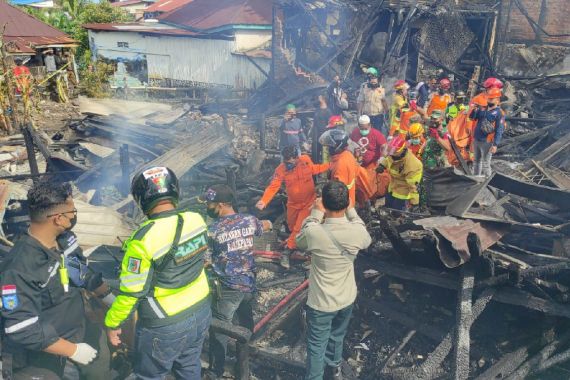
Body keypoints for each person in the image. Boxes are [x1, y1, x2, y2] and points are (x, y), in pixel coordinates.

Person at [105, 166, 211, 379]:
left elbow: (131, 293)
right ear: (174, 190)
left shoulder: (142, 240)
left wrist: (112, 322)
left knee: (149, 375)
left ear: (141, 198)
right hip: (201, 310)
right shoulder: (196, 220)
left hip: (165, 322)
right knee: (190, 365)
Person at [0, 179, 112, 379]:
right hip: (43, 356)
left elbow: (80, 272)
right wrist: (72, 351)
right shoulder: (19, 268)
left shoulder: (64, 241)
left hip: (80, 331)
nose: (74, 217)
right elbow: (21, 328)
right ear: (58, 218)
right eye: (72, 213)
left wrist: (108, 298)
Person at [296, 180, 372, 380]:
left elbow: (299, 240)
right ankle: (335, 370)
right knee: (337, 337)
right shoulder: (357, 231)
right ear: (347, 204)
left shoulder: (314, 232)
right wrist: (352, 211)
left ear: (324, 204)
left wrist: (315, 213)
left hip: (322, 302)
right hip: (346, 298)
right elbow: (365, 236)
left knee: (316, 346)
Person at [204, 185, 272, 377]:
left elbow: (206, 260)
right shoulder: (249, 221)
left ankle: (215, 370)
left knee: (219, 328)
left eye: (210, 203)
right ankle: (246, 358)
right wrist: (270, 224)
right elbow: (264, 225)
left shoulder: (212, 230)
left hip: (227, 288)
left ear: (222, 205)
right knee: (245, 320)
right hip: (249, 283)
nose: (208, 207)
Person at [256, 146, 329, 269]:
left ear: (296, 158)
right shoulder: (280, 170)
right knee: (291, 226)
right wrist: (264, 201)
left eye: (290, 162)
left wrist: (330, 165)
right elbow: (273, 186)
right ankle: (296, 244)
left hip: (308, 203)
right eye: (285, 162)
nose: (287, 165)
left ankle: (287, 252)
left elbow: (314, 169)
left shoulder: (305, 160)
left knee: (298, 228)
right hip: (293, 204)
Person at [377, 135, 423, 211]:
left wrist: (414, 203)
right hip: (392, 188)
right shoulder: (395, 154)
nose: (391, 154)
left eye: (393, 152)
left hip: (403, 194)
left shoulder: (413, 165)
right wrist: (382, 165)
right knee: (388, 210)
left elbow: (413, 186)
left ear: (402, 150)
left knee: (397, 215)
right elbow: (389, 159)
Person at [469, 88, 505, 177]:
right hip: (477, 139)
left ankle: (487, 181)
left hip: (487, 141)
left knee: (486, 163)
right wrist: (474, 110)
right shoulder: (483, 109)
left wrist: (495, 144)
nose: (489, 100)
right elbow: (472, 118)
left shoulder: (499, 113)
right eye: (488, 98)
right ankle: (476, 178)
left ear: (497, 100)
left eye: (491, 99)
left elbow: (499, 129)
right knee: (476, 161)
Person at [319, 129, 359, 206]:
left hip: (341, 206)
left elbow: (337, 192)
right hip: (349, 199)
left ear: (337, 147)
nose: (327, 149)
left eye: (329, 147)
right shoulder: (347, 154)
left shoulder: (340, 165)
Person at [313, 95, 333, 163]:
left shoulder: (328, 111)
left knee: (325, 153)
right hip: (316, 135)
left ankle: (325, 169)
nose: (318, 98)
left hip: (324, 135)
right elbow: (314, 122)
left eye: (320, 97)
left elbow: (330, 124)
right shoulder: (317, 109)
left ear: (323, 99)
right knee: (316, 153)